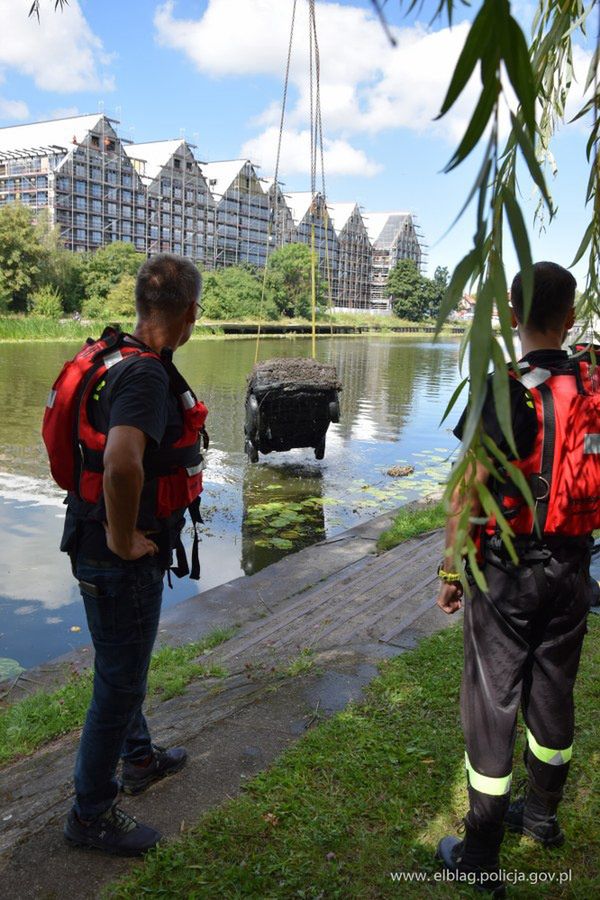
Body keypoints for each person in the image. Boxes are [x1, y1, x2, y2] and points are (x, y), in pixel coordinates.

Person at [435, 262, 595, 895]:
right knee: (554, 690)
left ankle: (479, 856)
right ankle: (543, 817)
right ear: (572, 317)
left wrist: (452, 568)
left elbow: (467, 488)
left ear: (508, 314)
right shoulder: (593, 386)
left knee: (494, 701)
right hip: (575, 566)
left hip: (506, 573)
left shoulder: (505, 390)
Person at [51, 254, 207, 856]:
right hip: (116, 552)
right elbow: (121, 462)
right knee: (118, 684)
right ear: (189, 313)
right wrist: (122, 539)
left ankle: (138, 760)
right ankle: (89, 814)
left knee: (120, 665)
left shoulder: (115, 358)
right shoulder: (143, 376)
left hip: (87, 535)